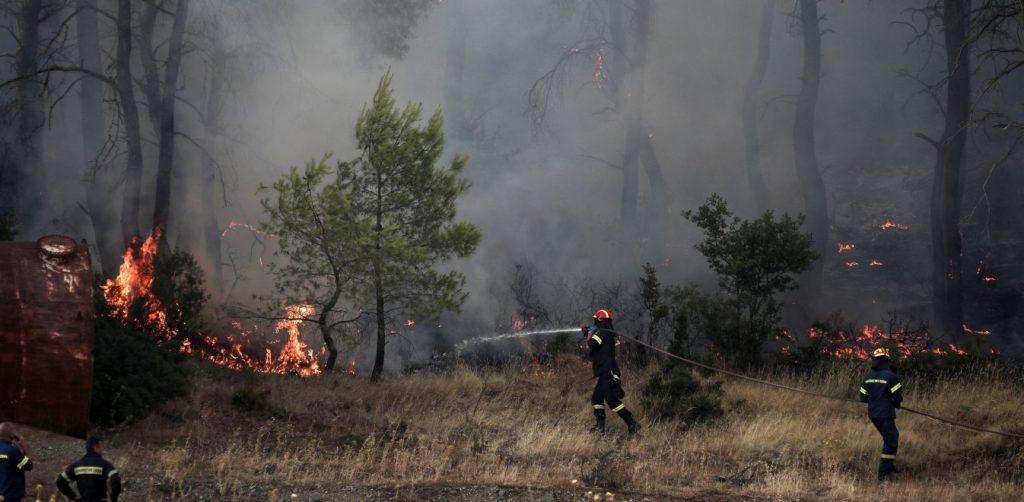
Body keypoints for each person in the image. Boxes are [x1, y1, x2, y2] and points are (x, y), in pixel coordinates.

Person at [582, 308, 640, 434]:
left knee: (612, 400)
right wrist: (588, 333)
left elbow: (588, 346)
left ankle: (632, 423)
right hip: (606, 371)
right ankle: (600, 427)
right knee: (597, 399)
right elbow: (593, 347)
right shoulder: (605, 333)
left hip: (608, 371)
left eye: (596, 320)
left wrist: (589, 333)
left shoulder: (602, 333)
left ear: (599, 320)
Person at [859, 347, 903, 480]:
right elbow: (897, 397)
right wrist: (894, 402)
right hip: (885, 413)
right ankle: (884, 473)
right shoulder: (891, 376)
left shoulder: (868, 376)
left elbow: (863, 397)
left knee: (889, 437)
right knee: (892, 440)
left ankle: (889, 466)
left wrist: (875, 399)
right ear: (886, 360)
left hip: (873, 414)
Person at [56, 436, 122, 502]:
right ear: (96, 447)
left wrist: (72, 496)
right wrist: (113, 499)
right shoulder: (103, 464)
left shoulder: (76, 465)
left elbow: (60, 481)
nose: (102, 449)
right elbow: (116, 481)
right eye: (101, 447)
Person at [0, 422, 33, 502]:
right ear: (12, 435)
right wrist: (25, 446)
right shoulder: (13, 451)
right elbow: (28, 465)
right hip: (10, 496)